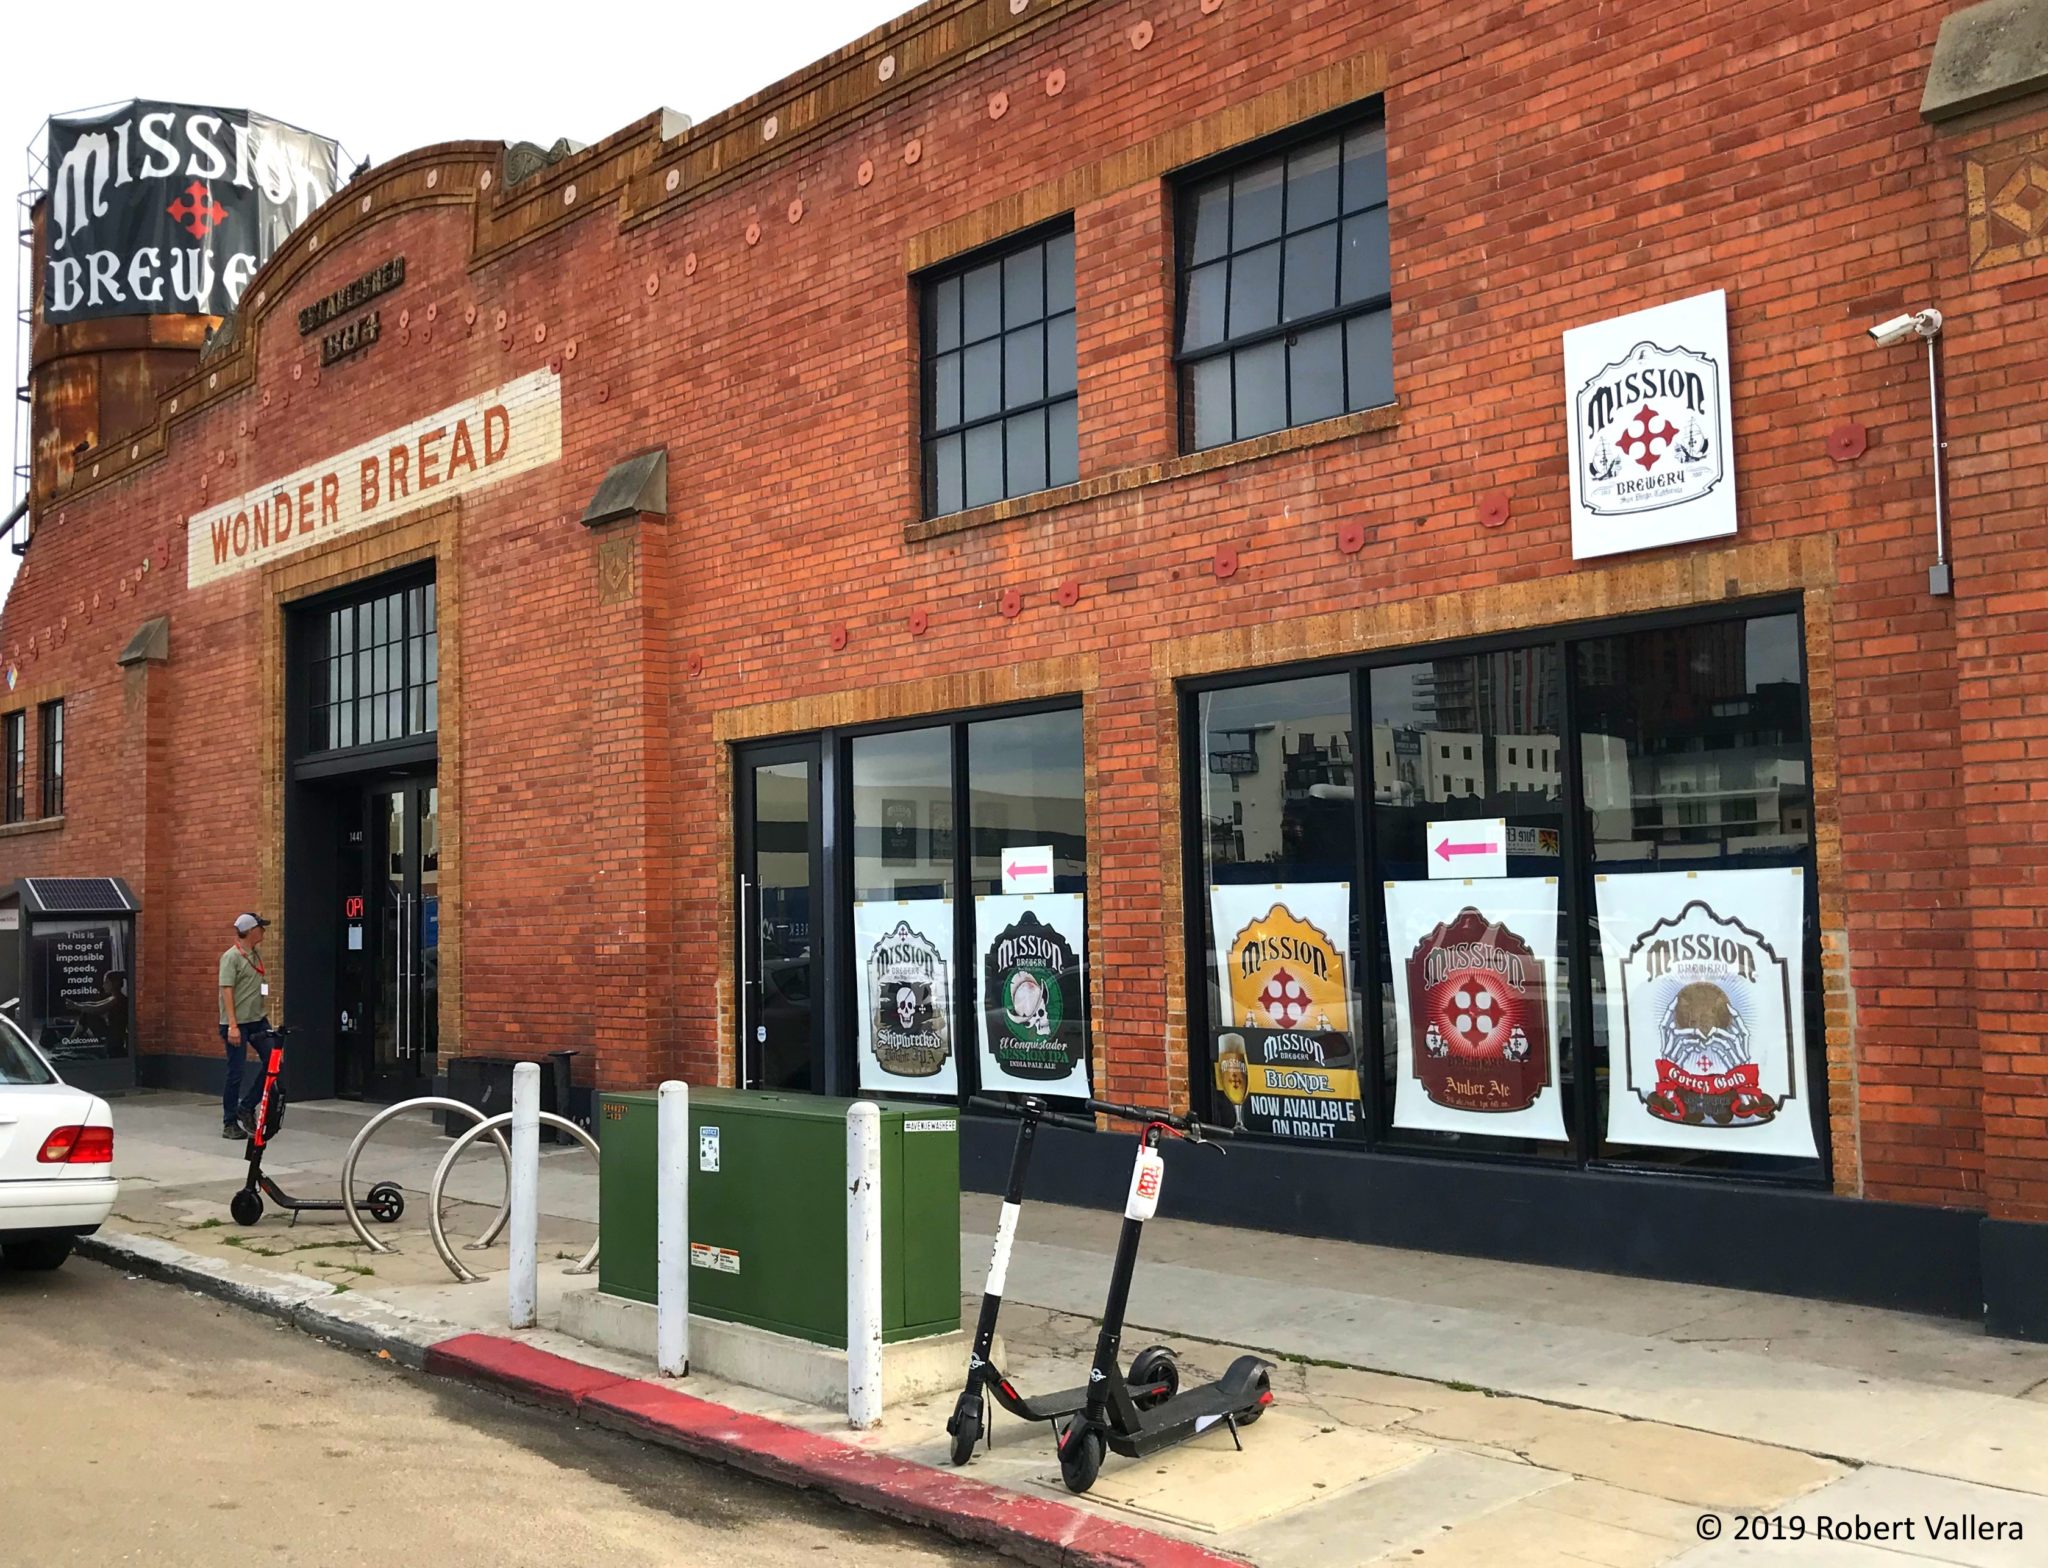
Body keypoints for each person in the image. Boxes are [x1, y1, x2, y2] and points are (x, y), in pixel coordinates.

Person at [219, 913, 272, 1139]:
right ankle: (229, 1122)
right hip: (237, 1023)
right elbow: (226, 990)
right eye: (261, 928)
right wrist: (232, 1025)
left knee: (274, 1062)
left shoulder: (256, 954)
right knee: (236, 1073)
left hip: (257, 1019)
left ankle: (247, 1105)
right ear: (251, 931)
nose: (264, 931)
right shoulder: (231, 958)